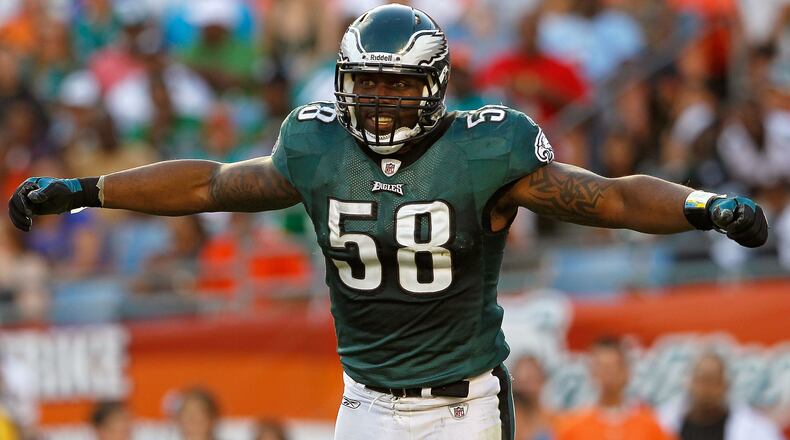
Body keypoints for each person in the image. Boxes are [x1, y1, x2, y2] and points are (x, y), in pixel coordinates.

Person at [7, 4, 769, 439]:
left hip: (464, 404)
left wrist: (703, 206)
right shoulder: (316, 146)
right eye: (366, 83)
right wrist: (88, 189)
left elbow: (609, 197)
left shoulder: (485, 149)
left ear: (434, 86)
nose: (377, 101)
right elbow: (211, 183)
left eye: (396, 85)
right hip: (364, 401)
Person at [556, 338, 672, 440]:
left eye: (613, 367)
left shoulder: (649, 426)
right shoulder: (572, 427)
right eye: (602, 367)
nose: (608, 375)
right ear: (592, 372)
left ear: (626, 371)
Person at [658, 352, 785, 440]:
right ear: (688, 383)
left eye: (712, 380)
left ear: (725, 385)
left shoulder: (755, 428)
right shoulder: (662, 422)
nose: (706, 388)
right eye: (701, 379)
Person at [512, 355, 557, 440]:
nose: (528, 388)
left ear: (542, 380)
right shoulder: (511, 421)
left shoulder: (552, 418)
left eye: (532, 379)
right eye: (524, 382)